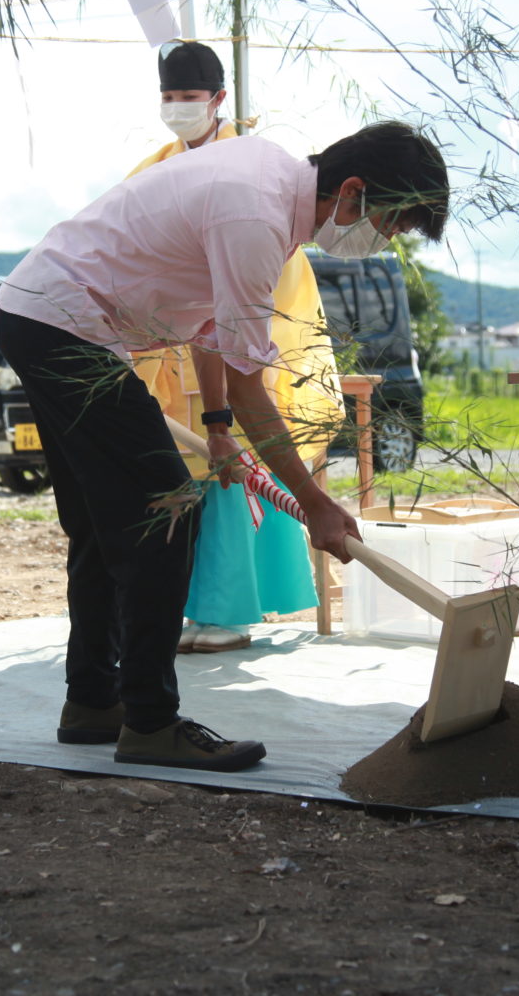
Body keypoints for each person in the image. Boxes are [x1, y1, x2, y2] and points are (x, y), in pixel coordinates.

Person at [0, 119, 449, 771]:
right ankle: (150, 722)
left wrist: (214, 426)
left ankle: (94, 700)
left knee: (105, 526)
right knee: (170, 509)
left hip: (40, 315)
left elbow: (212, 328)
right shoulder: (258, 218)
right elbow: (251, 390)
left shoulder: (268, 187)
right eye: (392, 224)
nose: (386, 242)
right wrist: (316, 501)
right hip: (64, 326)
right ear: (352, 194)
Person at [128, 42, 338, 653]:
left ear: (219, 99)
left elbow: (260, 277)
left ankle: (228, 609)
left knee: (233, 469)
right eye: (169, 97)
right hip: (175, 347)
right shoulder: (155, 164)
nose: (177, 108)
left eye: (188, 97)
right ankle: (190, 606)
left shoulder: (249, 165)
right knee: (183, 479)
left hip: (239, 336)